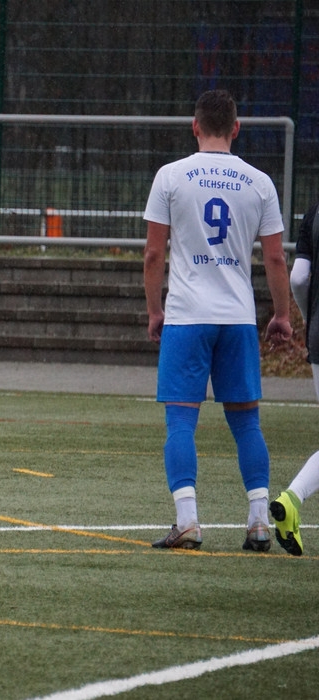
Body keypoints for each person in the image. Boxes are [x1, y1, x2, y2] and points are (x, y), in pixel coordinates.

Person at [142, 88, 292, 551]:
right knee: (247, 424)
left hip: (188, 317)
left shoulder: (171, 176)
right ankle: (258, 522)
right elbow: (274, 258)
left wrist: (154, 310)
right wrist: (283, 315)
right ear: (236, 128)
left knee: (181, 423)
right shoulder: (259, 182)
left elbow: (153, 253)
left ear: (194, 126)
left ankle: (188, 522)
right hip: (238, 318)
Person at [270, 202, 319, 556]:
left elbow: (299, 277)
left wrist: (310, 319)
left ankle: (291, 499)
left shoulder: (315, 209)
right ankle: (292, 497)